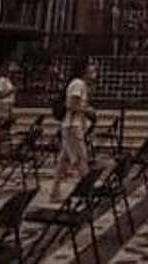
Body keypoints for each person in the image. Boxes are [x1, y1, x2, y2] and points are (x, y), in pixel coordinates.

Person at [50, 59, 97, 202]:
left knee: (63, 160)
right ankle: (88, 191)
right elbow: (71, 104)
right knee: (81, 158)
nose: (94, 71)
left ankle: (54, 191)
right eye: (91, 67)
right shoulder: (78, 83)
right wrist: (87, 110)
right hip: (72, 126)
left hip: (74, 125)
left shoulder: (83, 85)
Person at [0, 62, 18, 127]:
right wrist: (9, 92)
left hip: (9, 104)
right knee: (2, 123)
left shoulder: (9, 80)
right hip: (3, 104)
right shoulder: (2, 80)